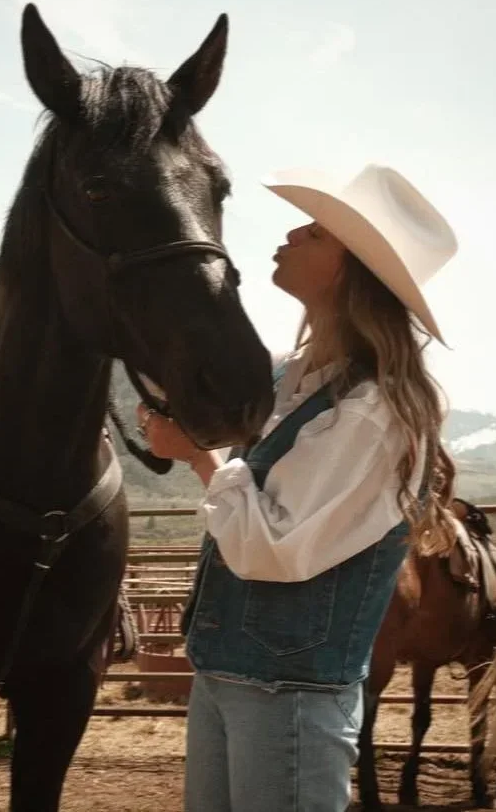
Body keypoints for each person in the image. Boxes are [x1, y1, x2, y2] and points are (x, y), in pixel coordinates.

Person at [137, 163, 458, 811]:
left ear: (350, 270)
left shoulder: (374, 410)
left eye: (314, 233)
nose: (290, 233)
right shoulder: (294, 377)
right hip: (229, 672)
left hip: (291, 696)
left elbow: (273, 546)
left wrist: (199, 458)